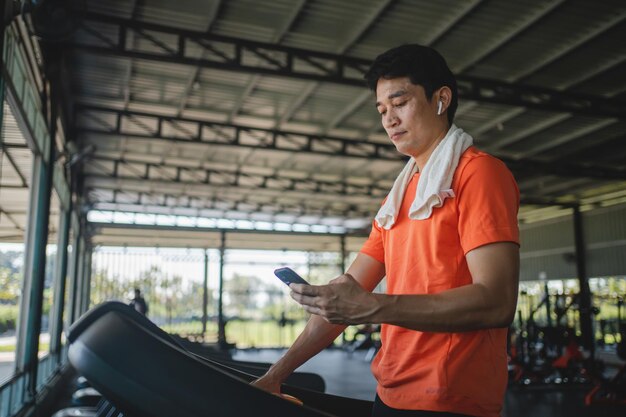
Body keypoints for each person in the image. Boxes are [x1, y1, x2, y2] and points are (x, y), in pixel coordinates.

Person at [253, 44, 520, 417]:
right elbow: (349, 295)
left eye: (400, 102)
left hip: (450, 398)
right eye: (382, 110)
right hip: (390, 394)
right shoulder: (399, 199)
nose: (389, 119)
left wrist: (373, 306)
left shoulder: (478, 173)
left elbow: (497, 301)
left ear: (441, 99)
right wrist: (276, 375)